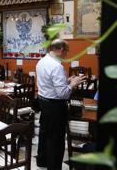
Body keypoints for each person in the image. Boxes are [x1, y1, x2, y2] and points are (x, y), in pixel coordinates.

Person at [36, 39, 86, 170]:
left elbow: (49, 83)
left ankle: (41, 161)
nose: (67, 54)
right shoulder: (57, 66)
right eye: (66, 51)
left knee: (44, 133)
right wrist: (73, 84)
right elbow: (63, 94)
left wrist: (67, 80)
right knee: (56, 139)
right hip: (55, 106)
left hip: (43, 101)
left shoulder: (42, 61)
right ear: (61, 50)